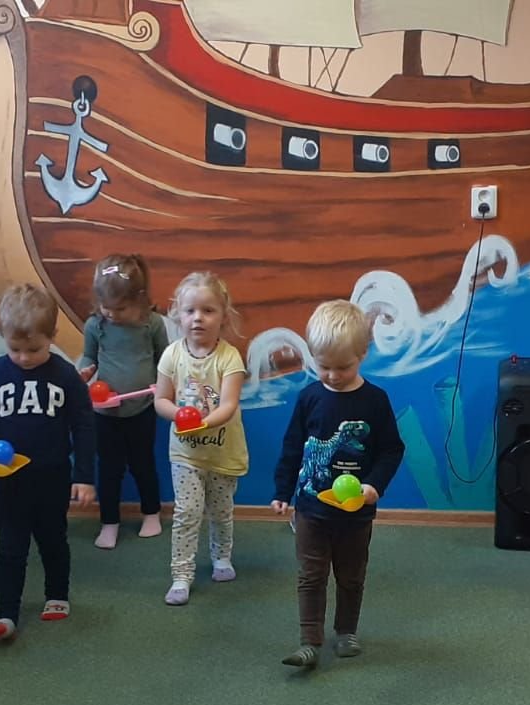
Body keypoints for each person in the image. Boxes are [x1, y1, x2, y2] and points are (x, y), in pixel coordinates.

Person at [270, 300, 404, 668]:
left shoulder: (375, 401)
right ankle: (309, 641)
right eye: (323, 366)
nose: (332, 375)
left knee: (351, 576)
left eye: (343, 367)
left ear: (362, 354)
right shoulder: (309, 398)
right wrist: (282, 491)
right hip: (311, 508)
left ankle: (346, 631)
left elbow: (391, 449)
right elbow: (293, 446)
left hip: (355, 513)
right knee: (310, 575)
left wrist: (374, 486)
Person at [0, 284, 96, 641]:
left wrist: (84, 477)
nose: (23, 357)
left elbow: (84, 425)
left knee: (53, 540)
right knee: (10, 547)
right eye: (14, 348)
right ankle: (6, 613)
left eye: (33, 349)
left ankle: (57, 595)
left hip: (53, 478)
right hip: (10, 480)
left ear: (52, 335)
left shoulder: (65, 376)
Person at [153, 272, 248, 606]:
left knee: (221, 511)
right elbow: (161, 400)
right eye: (190, 310)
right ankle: (181, 574)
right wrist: (179, 415)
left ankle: (221, 557)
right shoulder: (171, 355)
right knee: (187, 512)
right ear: (178, 315)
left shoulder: (229, 357)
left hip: (223, 452)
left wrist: (202, 422)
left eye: (208, 310)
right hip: (185, 454)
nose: (198, 318)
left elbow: (229, 405)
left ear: (223, 316)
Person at [75, 254, 170, 549]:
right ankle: (109, 522)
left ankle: (151, 513)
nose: (112, 314)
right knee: (109, 469)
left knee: (143, 464)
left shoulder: (152, 324)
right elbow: (89, 355)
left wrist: (163, 384)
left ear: (139, 299)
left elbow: (165, 359)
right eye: (106, 307)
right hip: (106, 412)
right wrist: (85, 370)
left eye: (120, 308)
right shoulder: (96, 325)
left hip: (142, 408)